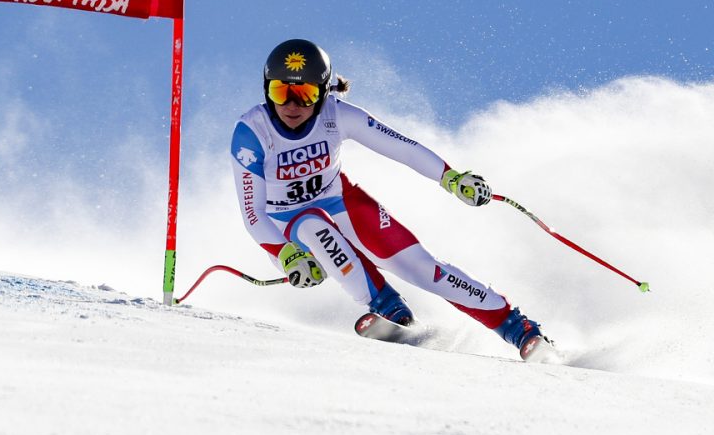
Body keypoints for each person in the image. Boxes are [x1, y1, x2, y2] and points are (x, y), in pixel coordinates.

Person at [230, 39, 551, 359]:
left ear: (324, 92)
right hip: (287, 226)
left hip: (340, 200)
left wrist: (451, 178)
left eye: (305, 94)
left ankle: (519, 329)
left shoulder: (337, 115)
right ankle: (391, 311)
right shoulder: (252, 132)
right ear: (266, 90)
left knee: (422, 268)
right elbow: (254, 214)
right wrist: (285, 253)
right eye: (281, 92)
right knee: (314, 227)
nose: (292, 106)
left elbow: (401, 147)